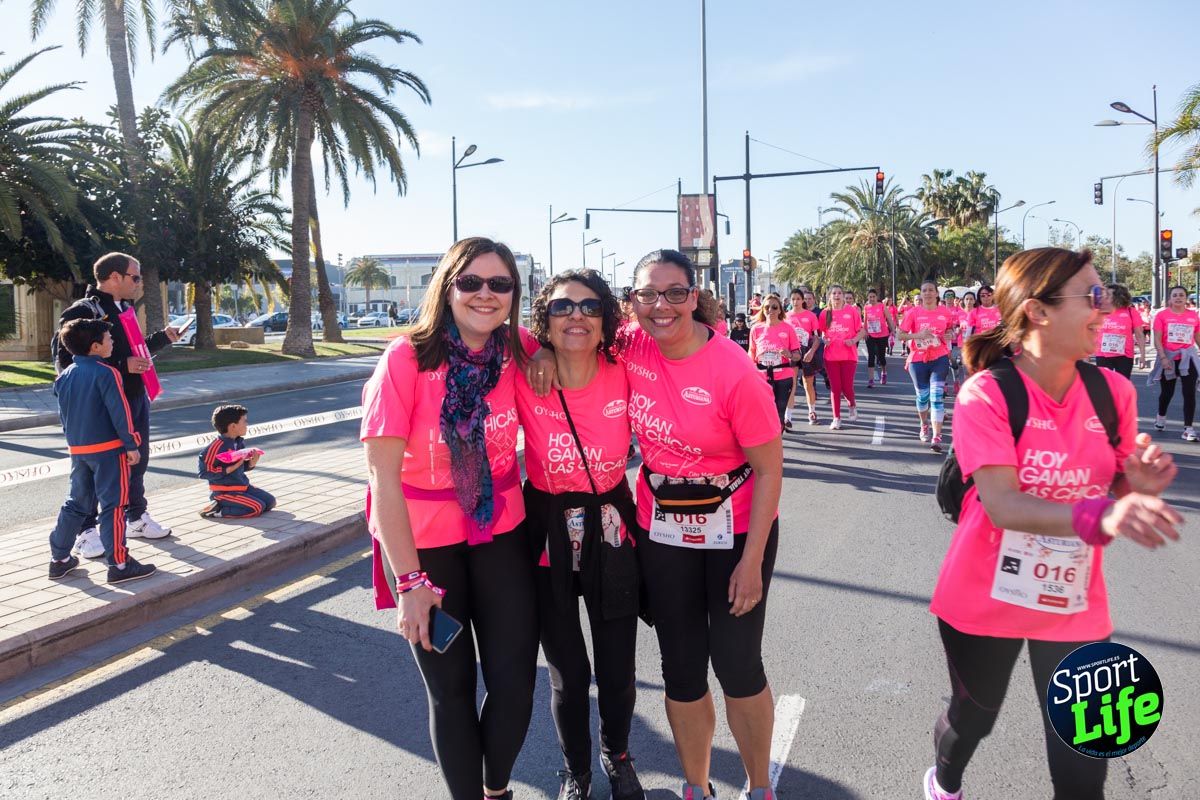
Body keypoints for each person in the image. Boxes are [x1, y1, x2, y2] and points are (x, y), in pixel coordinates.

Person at [923, 247, 1182, 800]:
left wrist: (1137, 483)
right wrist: (1109, 512)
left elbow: (1112, 486)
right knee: (974, 720)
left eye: (1107, 296)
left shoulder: (1114, 393)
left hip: (1075, 601)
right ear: (1038, 311)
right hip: (983, 596)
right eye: (1092, 297)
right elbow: (1004, 504)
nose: (1105, 309)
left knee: (1085, 763)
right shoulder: (985, 394)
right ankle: (943, 784)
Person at [535, 249, 780, 800]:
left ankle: (760, 786)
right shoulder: (630, 345)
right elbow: (567, 329)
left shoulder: (735, 372)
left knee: (738, 664)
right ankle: (696, 786)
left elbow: (769, 470)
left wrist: (752, 559)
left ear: (695, 297)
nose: (661, 305)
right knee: (682, 668)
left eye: (674, 293)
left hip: (736, 529)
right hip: (662, 527)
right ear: (632, 302)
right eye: (647, 294)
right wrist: (545, 354)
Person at [360, 237, 537, 800]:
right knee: (451, 692)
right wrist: (409, 581)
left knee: (515, 685)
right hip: (423, 547)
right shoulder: (406, 358)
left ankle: (497, 787)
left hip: (502, 534)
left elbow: (584, 344)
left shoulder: (519, 350)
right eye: (471, 282)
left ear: (514, 293)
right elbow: (382, 479)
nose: (486, 295)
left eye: (500, 284)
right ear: (447, 286)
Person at [516, 270, 644, 800]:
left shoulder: (626, 363)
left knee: (617, 664)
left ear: (607, 318)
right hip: (545, 526)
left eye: (590, 307)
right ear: (544, 319)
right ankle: (576, 770)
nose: (576, 316)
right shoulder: (524, 365)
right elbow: (480, 316)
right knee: (568, 670)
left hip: (612, 522)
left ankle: (616, 754)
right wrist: (539, 354)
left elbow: (688, 316)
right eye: (563, 307)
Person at [52, 253, 179, 560]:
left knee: (136, 460)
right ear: (113, 277)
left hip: (134, 397)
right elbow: (68, 360)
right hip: (101, 406)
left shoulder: (124, 309)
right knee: (96, 472)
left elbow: (133, 350)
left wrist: (162, 338)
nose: (139, 283)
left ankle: (136, 517)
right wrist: (123, 365)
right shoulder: (83, 312)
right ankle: (86, 532)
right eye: (135, 277)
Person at [47, 319, 156, 584]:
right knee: (114, 506)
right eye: (109, 339)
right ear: (96, 347)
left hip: (79, 450)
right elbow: (120, 412)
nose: (113, 342)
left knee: (76, 503)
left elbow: (65, 417)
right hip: (109, 451)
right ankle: (119, 564)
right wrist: (131, 444)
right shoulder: (107, 373)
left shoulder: (64, 376)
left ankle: (59, 559)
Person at [898, 281, 955, 453]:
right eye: (924, 291)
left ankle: (937, 436)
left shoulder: (945, 312)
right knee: (923, 398)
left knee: (936, 397)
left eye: (931, 290)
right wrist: (918, 335)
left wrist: (950, 334)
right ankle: (924, 425)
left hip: (939, 357)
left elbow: (951, 330)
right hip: (918, 359)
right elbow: (900, 334)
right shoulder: (913, 312)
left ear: (937, 294)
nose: (928, 293)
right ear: (921, 295)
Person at [197, 404, 277, 519]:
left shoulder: (238, 442)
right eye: (244, 421)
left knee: (270, 502)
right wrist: (229, 469)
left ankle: (238, 502)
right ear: (233, 426)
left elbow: (240, 467)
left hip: (243, 487)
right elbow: (204, 473)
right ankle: (217, 510)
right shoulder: (215, 447)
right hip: (224, 492)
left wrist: (251, 463)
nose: (247, 424)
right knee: (257, 508)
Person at [1150, 285, 1200, 441]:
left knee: (1189, 392)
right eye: (1175, 295)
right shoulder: (1162, 315)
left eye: (1181, 295)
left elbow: (1197, 337)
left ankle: (1188, 428)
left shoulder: (1193, 316)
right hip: (1169, 357)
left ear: (1186, 298)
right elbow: (1157, 338)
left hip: (1188, 358)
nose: (1178, 297)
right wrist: (1163, 357)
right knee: (1167, 393)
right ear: (1170, 299)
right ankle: (1161, 417)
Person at [749, 294, 803, 429]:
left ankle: (777, 441)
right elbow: (751, 352)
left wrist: (789, 354)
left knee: (779, 413)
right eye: (767, 307)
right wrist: (749, 371)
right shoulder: (756, 329)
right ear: (762, 309)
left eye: (774, 307)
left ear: (780, 310)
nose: (770, 310)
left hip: (783, 376)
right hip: (762, 376)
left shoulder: (788, 328)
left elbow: (798, 355)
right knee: (763, 413)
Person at [817, 284, 863, 430]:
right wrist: (825, 339)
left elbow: (862, 331)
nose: (837, 296)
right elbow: (821, 333)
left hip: (849, 355)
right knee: (835, 388)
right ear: (830, 296)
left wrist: (853, 341)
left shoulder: (852, 311)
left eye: (839, 293)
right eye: (834, 293)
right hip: (831, 356)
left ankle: (852, 404)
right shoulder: (825, 313)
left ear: (843, 296)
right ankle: (836, 418)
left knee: (847, 387)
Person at [1093, 284, 1146, 380]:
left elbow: (1139, 335)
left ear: (1118, 296)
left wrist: (1143, 355)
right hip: (1103, 355)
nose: (1104, 296)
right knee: (1104, 386)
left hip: (1124, 356)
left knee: (1123, 386)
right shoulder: (1099, 312)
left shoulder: (1130, 311)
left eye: (1108, 294)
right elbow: (1091, 332)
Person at [784, 289, 821, 425]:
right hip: (792, 353)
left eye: (798, 299)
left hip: (806, 352)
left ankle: (812, 412)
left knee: (808, 384)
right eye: (793, 299)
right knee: (791, 385)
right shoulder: (786, 316)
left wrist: (811, 351)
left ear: (802, 300)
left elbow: (817, 337)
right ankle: (788, 417)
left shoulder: (811, 316)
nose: (795, 302)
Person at [863, 288, 895, 387]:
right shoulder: (866, 307)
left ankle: (884, 372)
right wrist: (865, 332)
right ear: (868, 298)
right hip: (870, 335)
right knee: (871, 356)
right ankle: (871, 380)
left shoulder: (881, 306)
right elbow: (865, 320)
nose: (872, 299)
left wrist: (892, 330)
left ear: (877, 297)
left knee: (881, 357)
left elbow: (889, 318)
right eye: (870, 297)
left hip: (882, 334)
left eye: (873, 297)